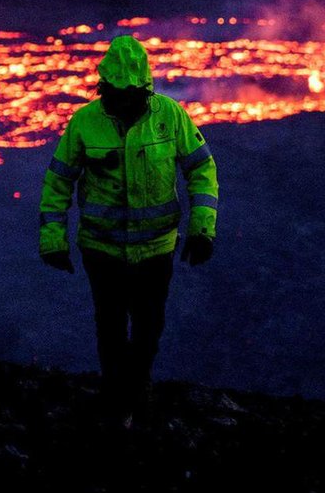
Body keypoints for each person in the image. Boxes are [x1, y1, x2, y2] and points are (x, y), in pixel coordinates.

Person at [38, 34, 218, 428]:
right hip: (101, 250)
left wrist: (202, 230)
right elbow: (58, 183)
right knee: (111, 327)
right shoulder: (86, 122)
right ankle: (122, 402)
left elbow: (201, 170)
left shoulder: (169, 116)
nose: (121, 102)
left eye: (129, 95)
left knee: (149, 326)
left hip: (156, 249)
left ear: (144, 89)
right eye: (114, 94)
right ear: (103, 87)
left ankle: (133, 393)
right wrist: (53, 240)